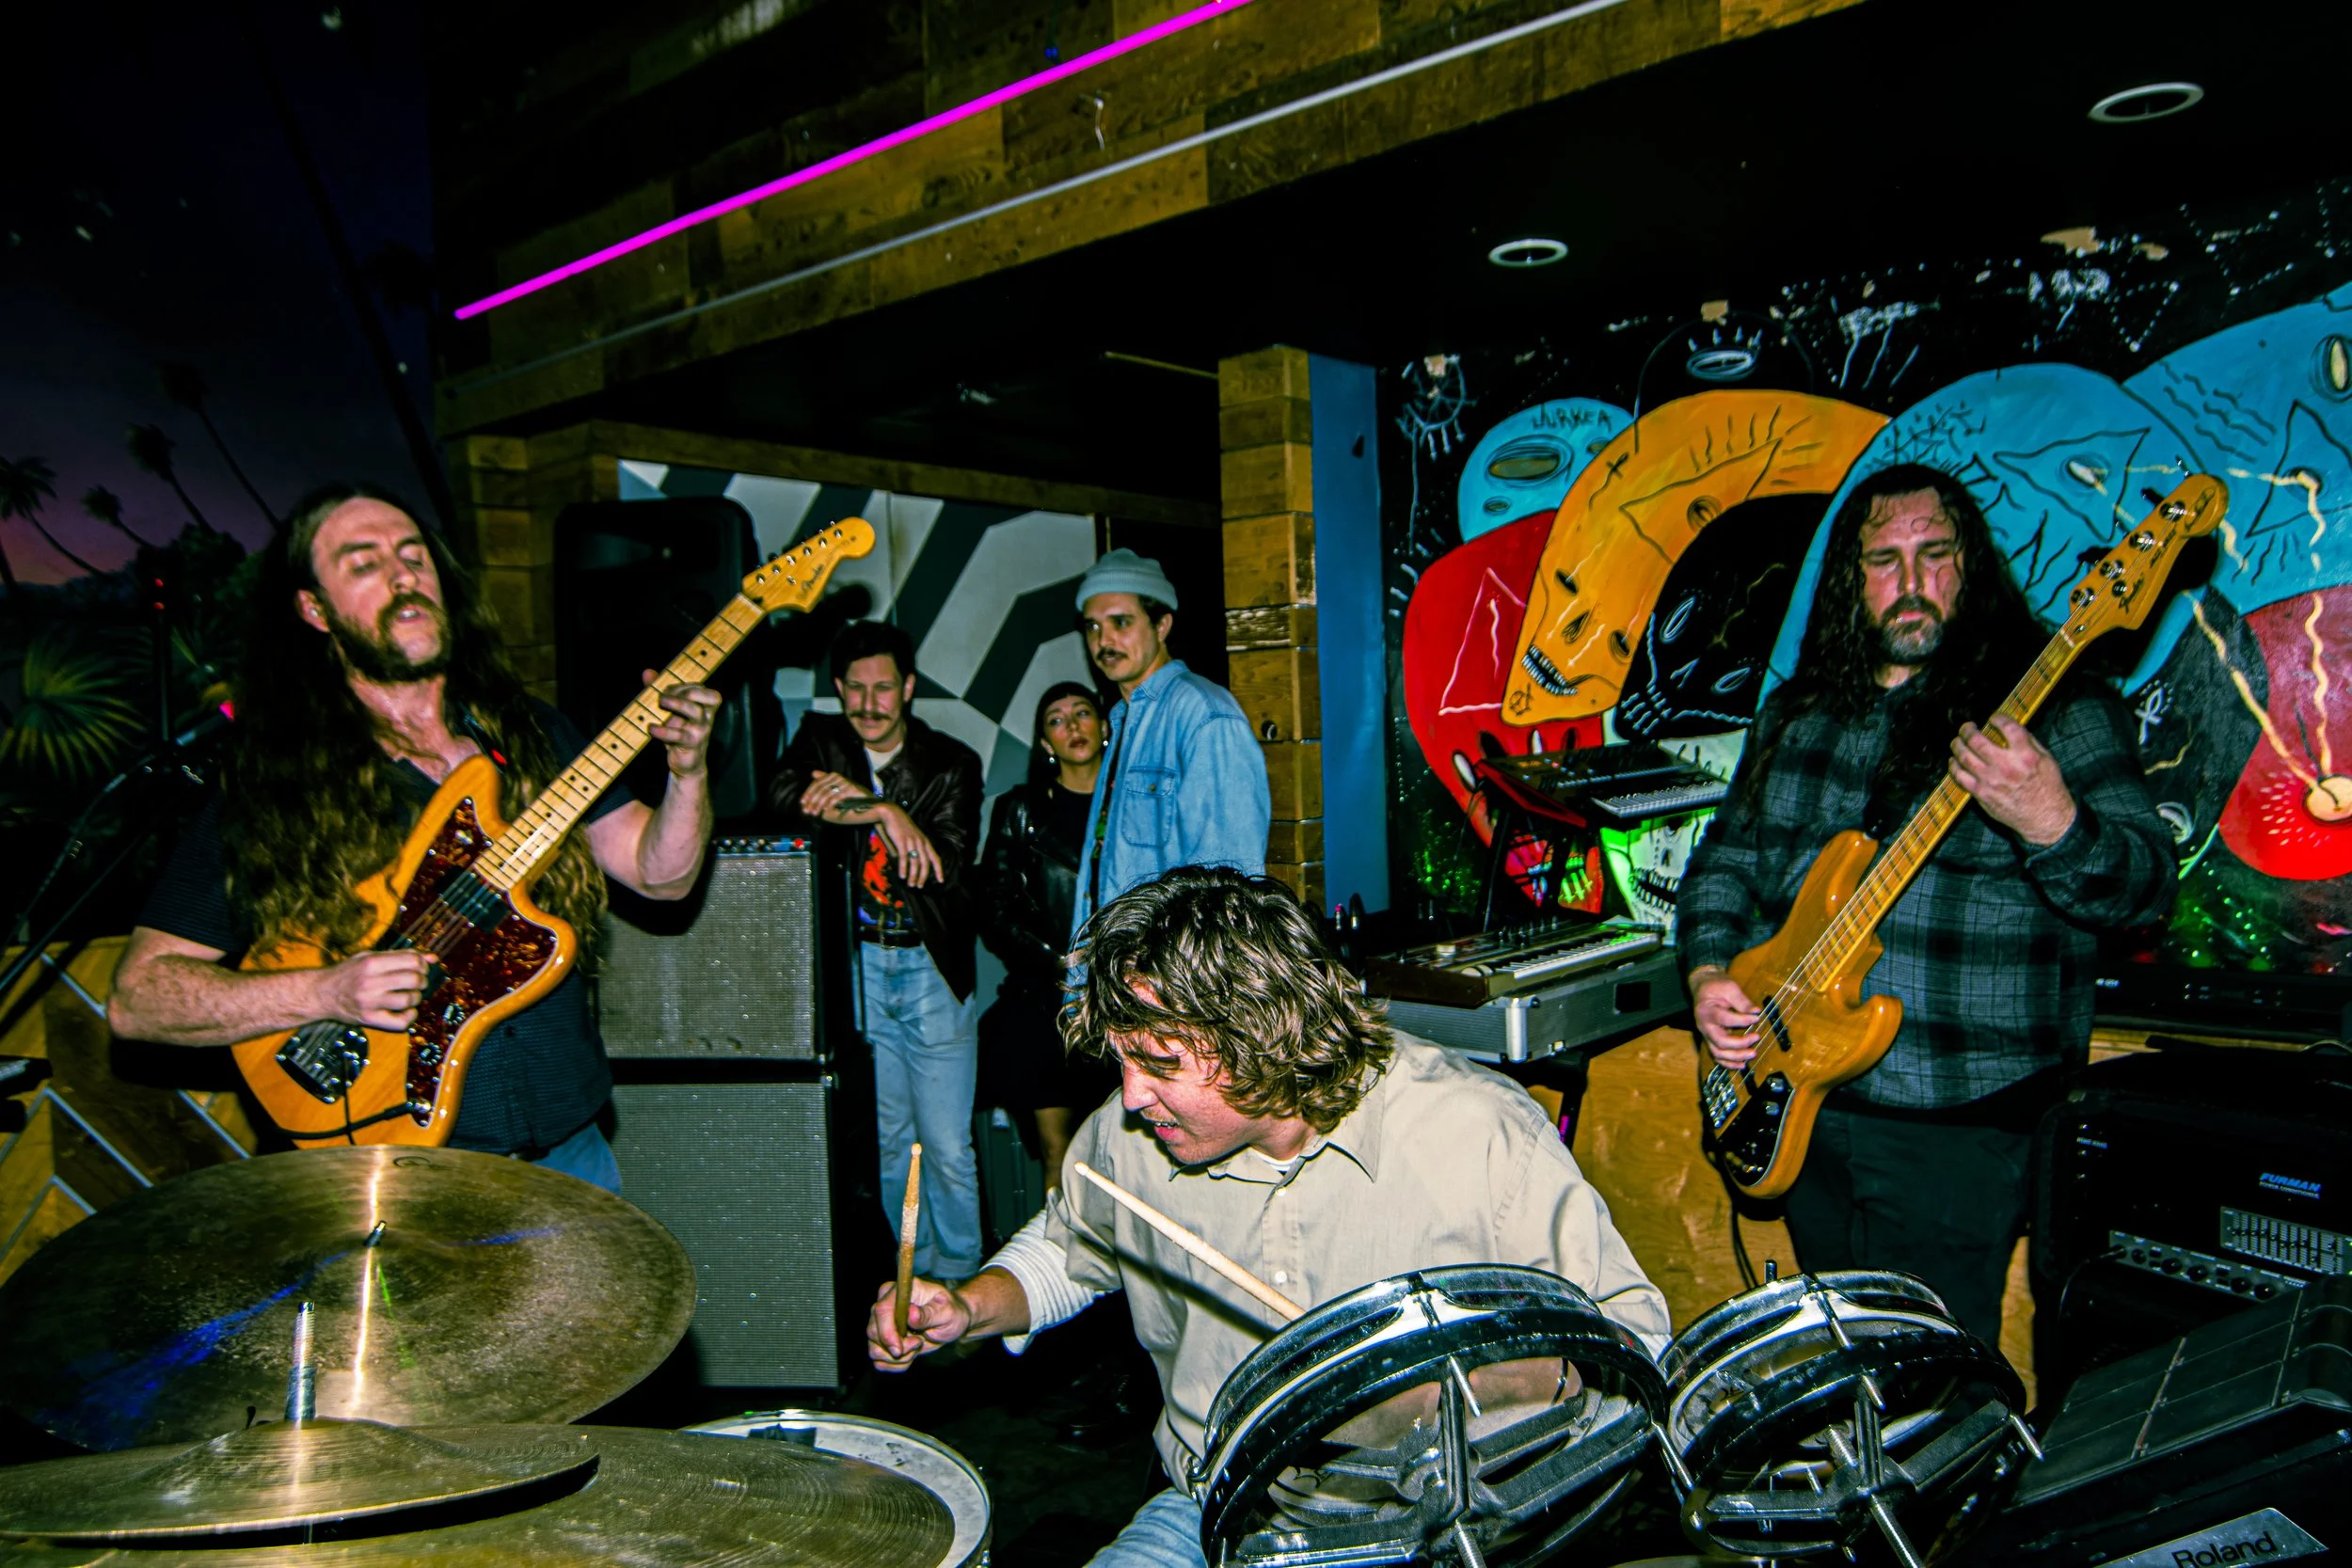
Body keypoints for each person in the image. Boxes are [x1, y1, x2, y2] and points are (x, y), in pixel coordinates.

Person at [870, 867, 1670, 1565]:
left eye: (1159, 1062)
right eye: (1123, 1060)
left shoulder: (1479, 1132)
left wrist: (1471, 1387)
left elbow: (1634, 1347)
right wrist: (970, 1303)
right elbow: (1068, 1247)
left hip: (1440, 1527)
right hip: (1220, 1514)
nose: (1133, 1094)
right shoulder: (1132, 1134)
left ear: (1259, 1032)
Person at [1677, 463, 2176, 1346]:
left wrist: (2052, 819)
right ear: (1849, 580)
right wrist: (1711, 970)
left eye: (1934, 554)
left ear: (1968, 566)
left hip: (1964, 1127)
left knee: (1940, 1386)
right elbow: (1725, 861)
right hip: (1806, 1103)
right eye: (1883, 560)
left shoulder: (2058, 711)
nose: (1910, 584)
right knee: (1842, 1374)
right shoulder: (1799, 717)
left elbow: (2144, 892)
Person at [109, 483, 720, 1189]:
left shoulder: (529, 732)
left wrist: (689, 771)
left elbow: (661, 874)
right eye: (364, 563)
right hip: (402, 1180)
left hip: (572, 1156)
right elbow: (139, 997)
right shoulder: (274, 783)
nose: (403, 576)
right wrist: (324, 993)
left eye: (414, 556)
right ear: (315, 609)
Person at [773, 620, 985, 1283]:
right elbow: (781, 800)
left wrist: (865, 807)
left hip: (929, 966)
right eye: (855, 689)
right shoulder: (820, 740)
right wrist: (887, 813)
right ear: (838, 690)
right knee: (891, 1141)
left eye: (883, 688)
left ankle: (964, 1279)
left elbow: (942, 864)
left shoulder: (950, 761)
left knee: (948, 1144)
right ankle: (914, 1276)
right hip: (859, 964)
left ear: (909, 688)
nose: (869, 703)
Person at [1070, 549, 1270, 936]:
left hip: (1165, 976)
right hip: (1114, 966)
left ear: (1162, 626)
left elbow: (1229, 884)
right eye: (1092, 627)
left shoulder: (1204, 714)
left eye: (1121, 622)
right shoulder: (1122, 718)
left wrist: (1183, 979)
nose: (1103, 641)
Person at [977, 681, 1118, 1191]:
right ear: (1044, 742)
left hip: (1125, 1001)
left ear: (1105, 728)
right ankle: (1056, 1269)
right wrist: (1059, 962)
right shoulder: (1020, 809)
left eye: (1083, 713)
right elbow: (993, 908)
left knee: (1125, 1159)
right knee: (1060, 1158)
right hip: (1045, 1007)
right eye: (1056, 720)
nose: (1072, 725)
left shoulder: (1131, 805)